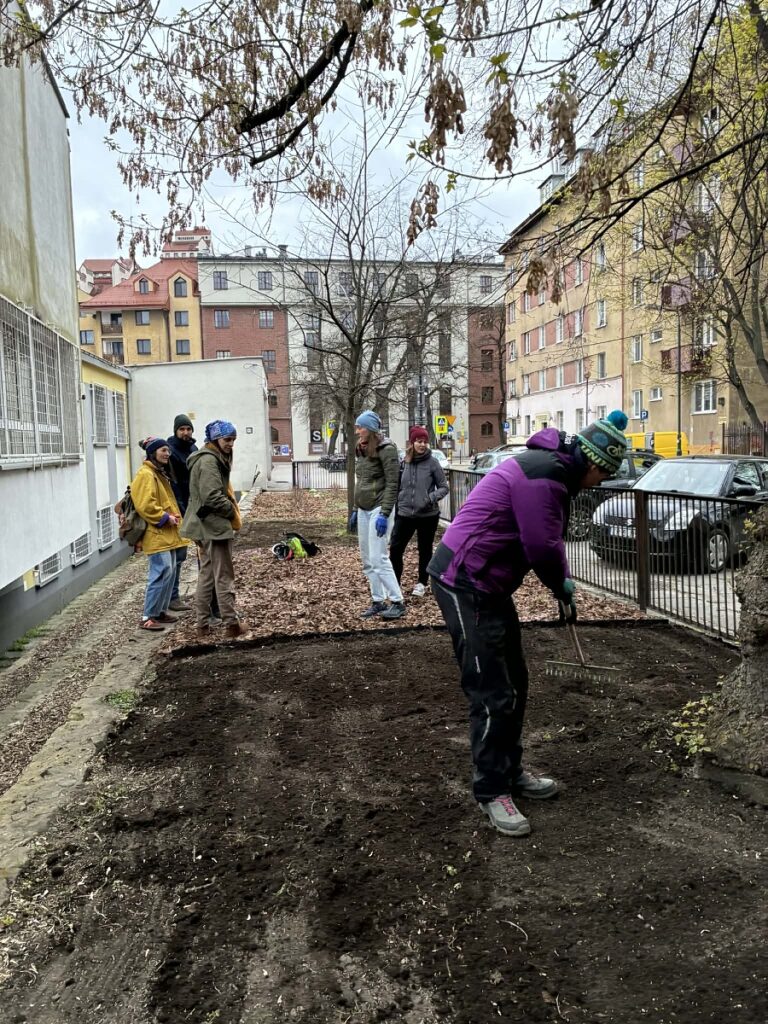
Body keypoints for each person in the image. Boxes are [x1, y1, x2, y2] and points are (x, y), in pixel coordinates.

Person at [428, 410, 629, 837]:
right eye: (602, 476)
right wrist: (563, 587)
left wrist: (562, 585)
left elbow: (540, 540)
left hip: (489, 582)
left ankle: (511, 769)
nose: (598, 485)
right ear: (593, 464)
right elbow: (542, 545)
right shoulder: (546, 477)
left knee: (514, 681)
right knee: (491, 690)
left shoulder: (554, 471)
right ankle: (491, 790)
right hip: (463, 579)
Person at [181, 420, 248, 639]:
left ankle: (202, 627)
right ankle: (231, 624)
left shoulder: (207, 458)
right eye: (227, 440)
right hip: (215, 525)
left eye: (233, 440)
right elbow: (212, 496)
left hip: (205, 525)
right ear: (214, 440)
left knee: (207, 575)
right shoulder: (209, 461)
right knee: (223, 575)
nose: (231, 444)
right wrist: (231, 511)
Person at [349, 410, 405, 621]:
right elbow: (360, 482)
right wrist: (355, 508)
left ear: (370, 429)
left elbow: (393, 483)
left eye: (360, 427)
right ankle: (378, 600)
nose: (357, 431)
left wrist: (385, 513)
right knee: (367, 559)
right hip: (363, 509)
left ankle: (398, 602)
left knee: (378, 557)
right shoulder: (361, 449)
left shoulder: (386, 449)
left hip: (378, 509)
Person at [130, 436, 187, 631]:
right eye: (163, 450)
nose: (167, 453)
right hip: (156, 533)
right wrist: (165, 517)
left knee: (168, 572)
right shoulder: (146, 474)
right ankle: (148, 616)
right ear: (152, 453)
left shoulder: (157, 473)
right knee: (161, 572)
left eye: (168, 450)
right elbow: (145, 504)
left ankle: (160, 611)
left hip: (165, 533)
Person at [389, 426, 448, 597]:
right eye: (419, 441)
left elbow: (444, 487)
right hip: (405, 514)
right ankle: (395, 584)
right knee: (396, 549)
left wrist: (430, 498)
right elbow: (397, 486)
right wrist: (397, 503)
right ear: (412, 442)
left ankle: (422, 583)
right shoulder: (404, 463)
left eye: (424, 442)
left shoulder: (433, 463)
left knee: (425, 549)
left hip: (427, 515)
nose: (422, 445)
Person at [165, 413, 196, 611]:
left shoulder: (193, 448)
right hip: (176, 508)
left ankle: (172, 597)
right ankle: (172, 597)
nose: (185, 432)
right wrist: (180, 508)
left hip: (191, 504)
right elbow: (174, 483)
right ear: (176, 431)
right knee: (175, 557)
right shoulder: (171, 451)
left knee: (181, 555)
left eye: (188, 429)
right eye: (181, 429)